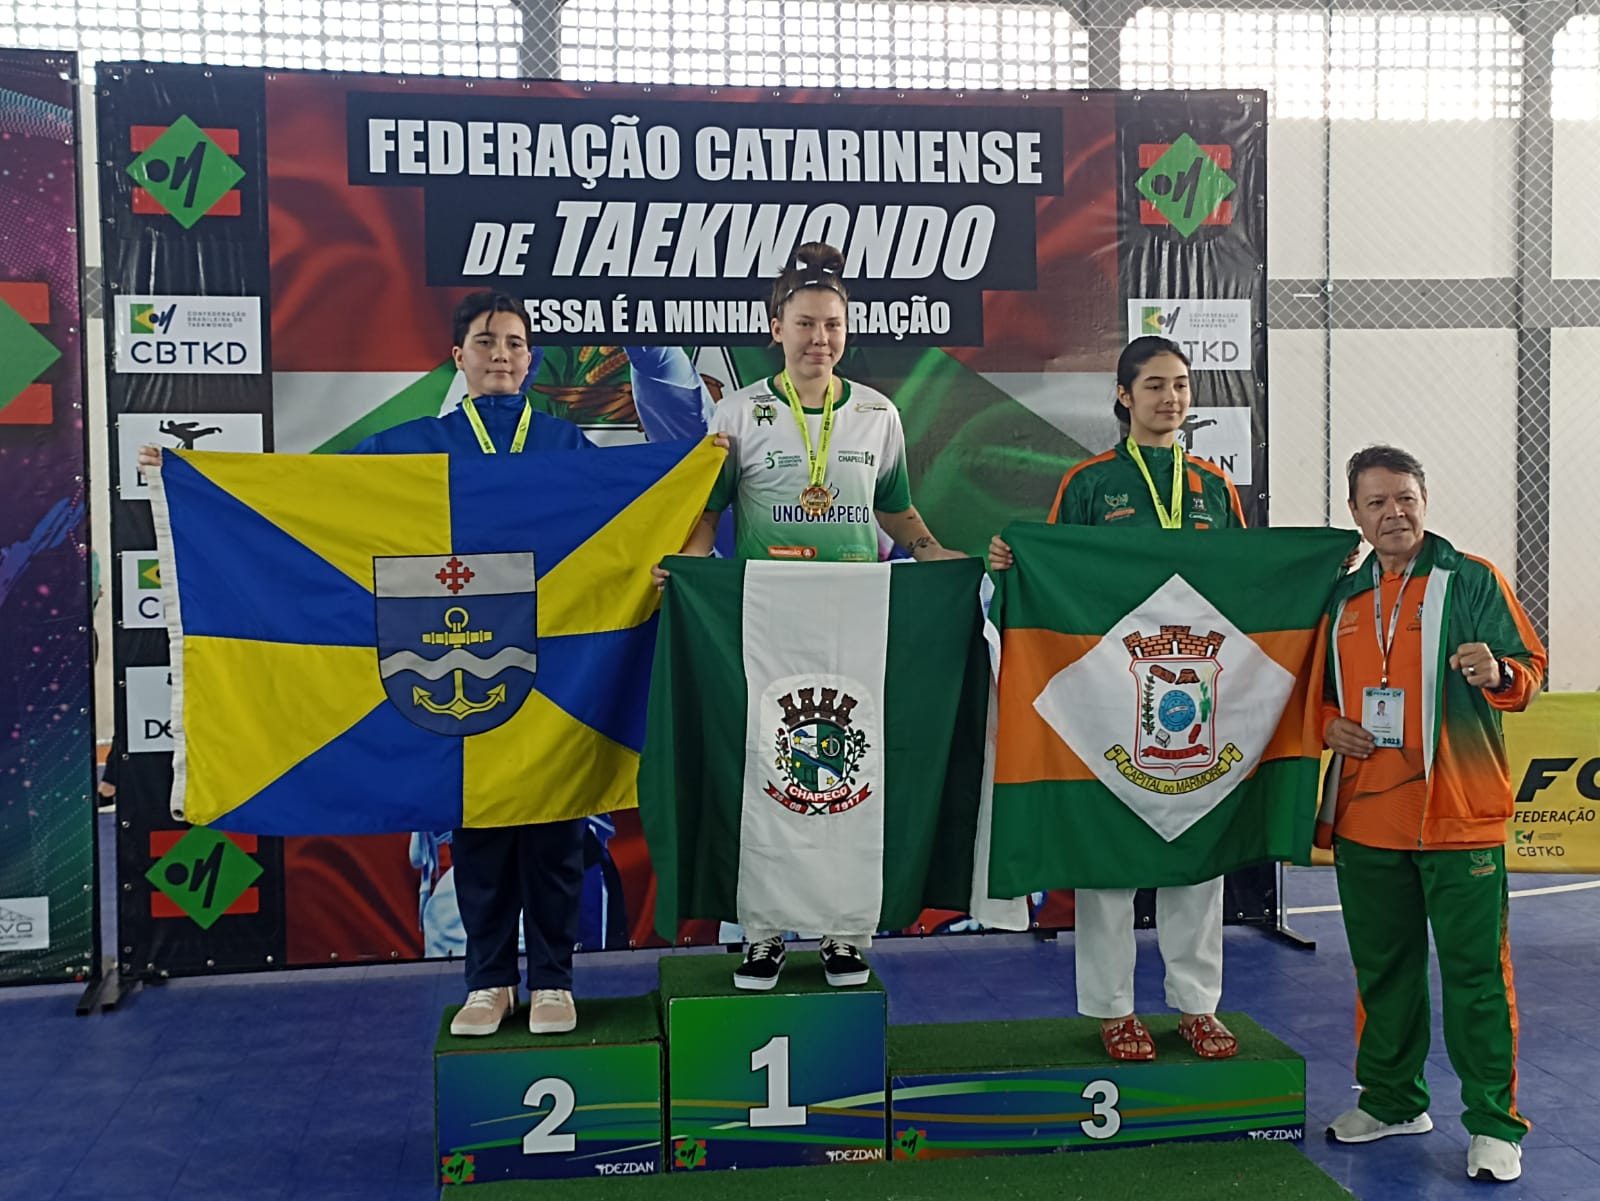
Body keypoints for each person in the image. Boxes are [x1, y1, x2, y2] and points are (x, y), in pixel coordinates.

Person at [142, 292, 594, 1038]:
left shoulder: (566, 446)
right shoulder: (417, 442)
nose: (503, 355)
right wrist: (200, 479)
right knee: (478, 831)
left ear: (531, 358)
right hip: (462, 663)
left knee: (554, 830)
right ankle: (489, 982)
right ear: (460, 357)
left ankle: (553, 978)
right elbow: (320, 497)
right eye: (487, 342)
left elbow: (625, 515)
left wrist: (696, 473)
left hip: (547, 668)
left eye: (516, 343)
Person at [653, 241, 964, 990]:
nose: (818, 339)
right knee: (768, 769)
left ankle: (844, 933)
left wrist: (940, 558)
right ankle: (761, 933)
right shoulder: (739, 412)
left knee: (850, 769)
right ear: (775, 327)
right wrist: (688, 575)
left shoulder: (876, 416)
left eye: (831, 325)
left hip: (860, 618)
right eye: (804, 324)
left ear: (846, 331)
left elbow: (896, 510)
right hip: (769, 618)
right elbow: (708, 511)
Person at [988, 335, 1245, 1062]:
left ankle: (1197, 1005)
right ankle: (1113, 1008)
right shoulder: (1090, 484)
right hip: (1108, 694)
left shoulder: (1215, 488)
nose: (1172, 397)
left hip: (1195, 694)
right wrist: (1009, 564)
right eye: (1156, 384)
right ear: (1125, 396)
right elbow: (1050, 585)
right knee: (1107, 854)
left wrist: (1315, 573)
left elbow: (1248, 588)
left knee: (1197, 843)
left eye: (1183, 385)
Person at [1318, 444, 1544, 1184]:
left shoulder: (1472, 579)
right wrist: (1330, 725)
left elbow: (1529, 671)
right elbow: (1315, 694)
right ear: (1354, 513)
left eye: (1406, 497)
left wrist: (1498, 670)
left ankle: (1493, 1123)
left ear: (1425, 499)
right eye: (1377, 501)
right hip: (1367, 819)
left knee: (1476, 974)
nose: (1395, 513)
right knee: (1383, 970)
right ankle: (1391, 1098)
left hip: (1458, 815)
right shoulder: (1342, 599)